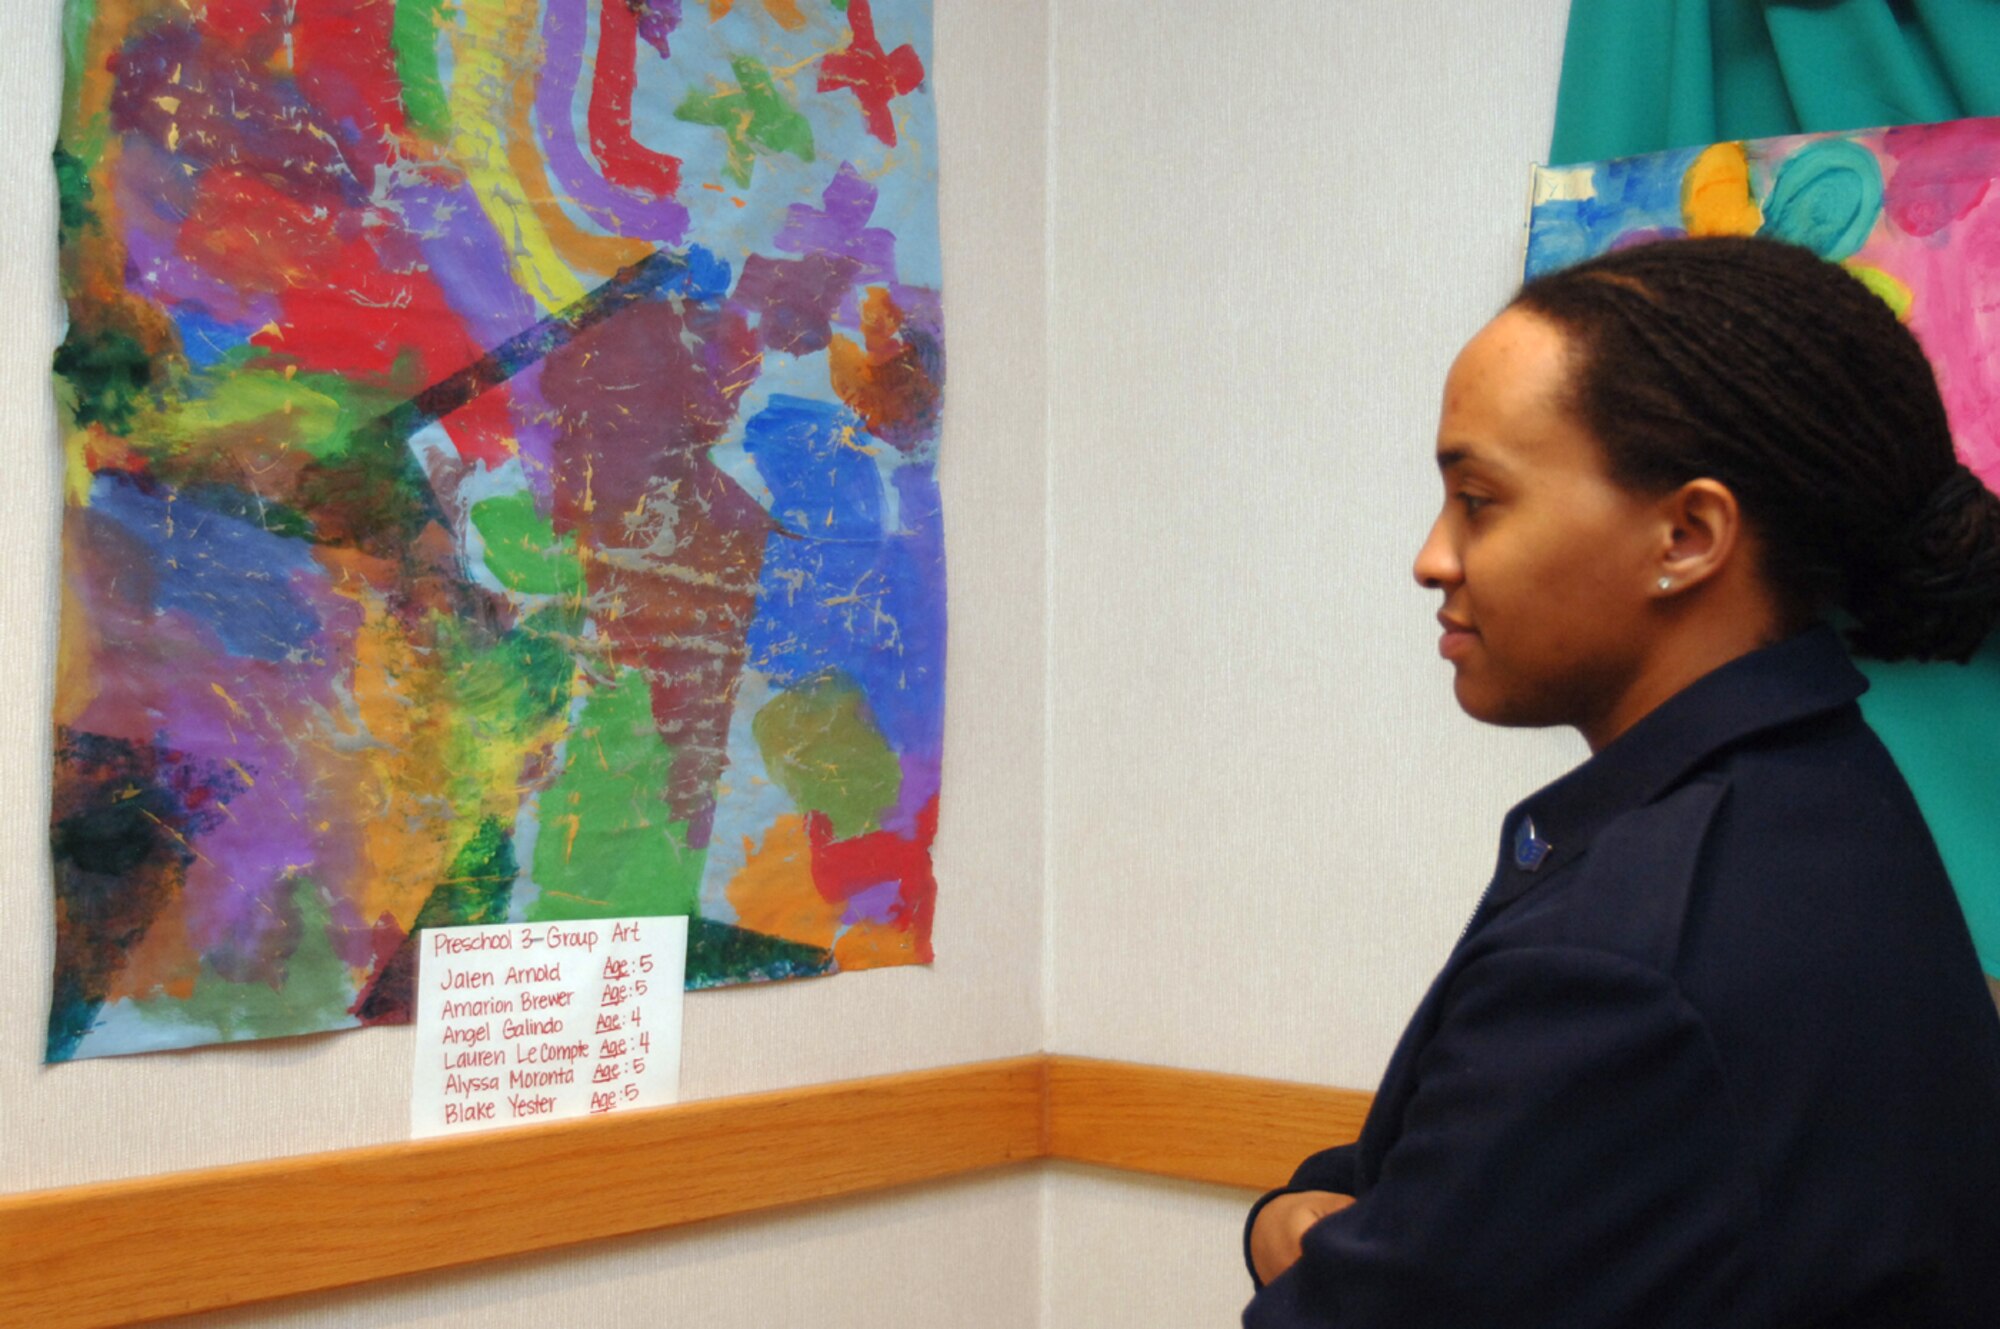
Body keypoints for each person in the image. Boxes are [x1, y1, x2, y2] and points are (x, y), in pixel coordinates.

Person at [1243, 235, 2000, 1327]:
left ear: (1685, 534)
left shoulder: (1618, 960)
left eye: (1479, 500)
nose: (1431, 557)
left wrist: (1288, 1239)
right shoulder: (1828, 796)